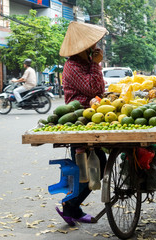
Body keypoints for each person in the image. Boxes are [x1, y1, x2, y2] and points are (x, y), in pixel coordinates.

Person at [56, 21, 108, 226]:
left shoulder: (85, 64)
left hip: (91, 120)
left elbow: (100, 88)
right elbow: (92, 88)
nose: (93, 49)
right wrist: (96, 64)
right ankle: (70, 207)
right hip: (79, 121)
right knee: (90, 169)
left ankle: (73, 208)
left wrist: (94, 64)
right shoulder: (73, 66)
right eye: (90, 47)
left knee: (96, 166)